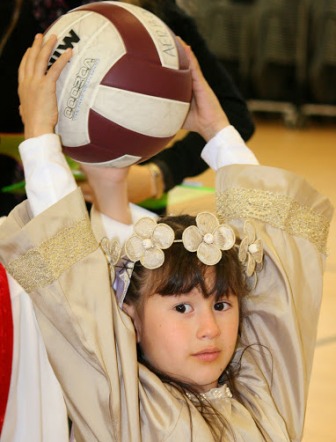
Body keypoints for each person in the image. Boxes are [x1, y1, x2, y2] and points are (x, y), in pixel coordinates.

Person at [0, 33, 333, 441]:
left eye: (223, 303)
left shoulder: (261, 388)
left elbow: (278, 267)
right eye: (181, 308)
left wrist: (215, 128)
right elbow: (75, 294)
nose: (209, 328)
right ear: (130, 320)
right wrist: (38, 136)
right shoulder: (127, 407)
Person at [0, 0, 255, 211]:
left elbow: (235, 115)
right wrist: (39, 139)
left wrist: (160, 173)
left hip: (131, 221)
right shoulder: (15, 14)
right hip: (20, 208)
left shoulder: (157, 22)